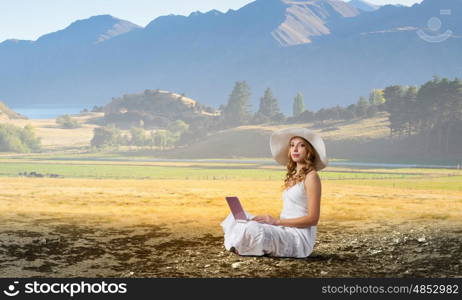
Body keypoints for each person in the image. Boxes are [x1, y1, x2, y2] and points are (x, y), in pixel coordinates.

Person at [220, 127, 328, 258]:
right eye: (292, 145)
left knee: (252, 228)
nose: (295, 149)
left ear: (309, 151)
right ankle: (242, 244)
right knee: (236, 217)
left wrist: (275, 222)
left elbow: (313, 219)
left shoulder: (312, 177)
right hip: (283, 228)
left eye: (301, 146)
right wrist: (270, 221)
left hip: (298, 238)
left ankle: (243, 245)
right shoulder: (293, 176)